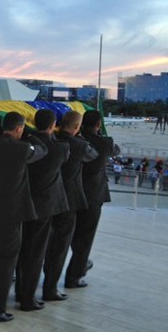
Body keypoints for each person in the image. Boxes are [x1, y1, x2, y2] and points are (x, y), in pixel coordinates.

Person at [0, 112, 47, 323]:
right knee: (7, 261)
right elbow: (43, 151)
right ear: (19, 129)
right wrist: (31, 135)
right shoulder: (21, 149)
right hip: (11, 212)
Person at [16, 109, 70, 312]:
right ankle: (28, 299)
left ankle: (21, 291)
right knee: (36, 252)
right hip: (44, 206)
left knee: (23, 249)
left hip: (23, 203)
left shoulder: (24, 143)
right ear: (53, 124)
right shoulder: (60, 148)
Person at [43, 111, 98, 301]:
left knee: (44, 244)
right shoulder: (80, 145)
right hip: (69, 201)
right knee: (60, 247)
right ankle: (50, 289)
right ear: (77, 127)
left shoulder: (51, 140)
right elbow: (94, 155)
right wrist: (81, 136)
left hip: (48, 199)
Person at [65, 110, 120, 289]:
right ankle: (75, 274)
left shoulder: (73, 140)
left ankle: (79, 262)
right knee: (85, 237)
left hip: (71, 194)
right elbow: (116, 150)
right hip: (93, 196)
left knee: (70, 234)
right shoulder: (105, 143)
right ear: (98, 125)